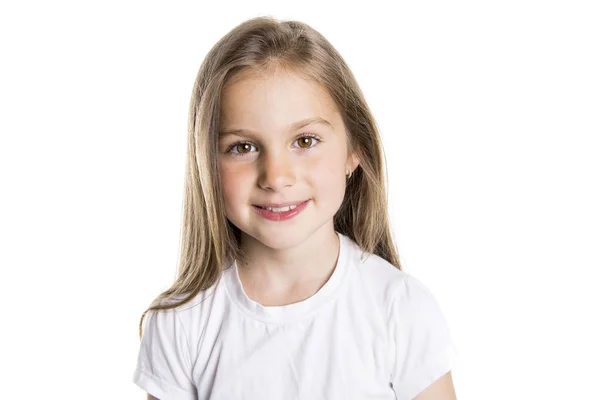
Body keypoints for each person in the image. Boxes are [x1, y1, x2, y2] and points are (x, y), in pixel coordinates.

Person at [133, 16, 459, 400]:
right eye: (243, 147)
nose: (276, 176)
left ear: (354, 150)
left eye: (305, 140)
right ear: (206, 162)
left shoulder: (400, 310)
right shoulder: (181, 323)